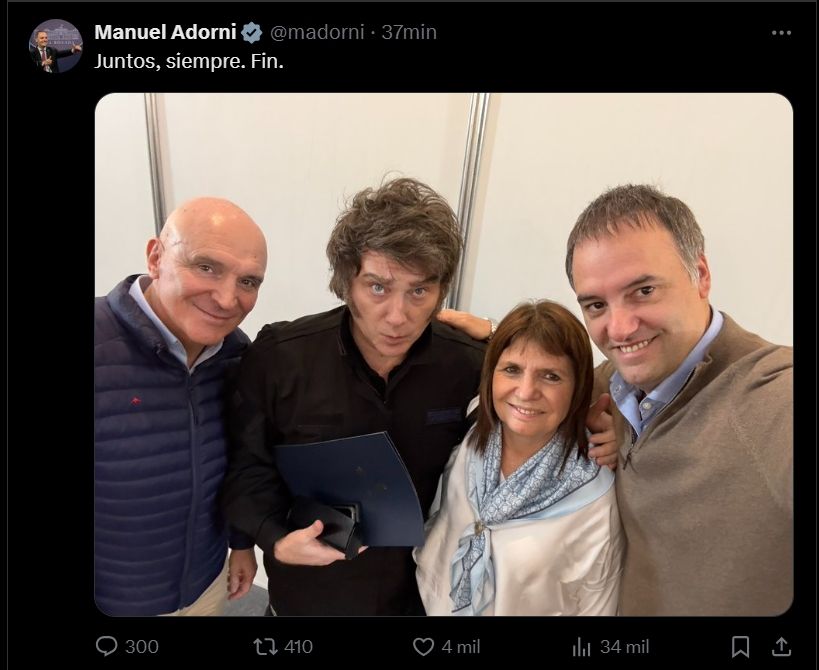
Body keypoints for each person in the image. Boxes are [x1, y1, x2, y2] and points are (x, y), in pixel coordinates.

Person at [220, 177, 618, 616]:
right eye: (378, 287)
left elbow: (533, 391)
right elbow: (246, 468)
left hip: (419, 600)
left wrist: (597, 422)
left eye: (419, 291)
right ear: (347, 281)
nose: (398, 316)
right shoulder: (281, 358)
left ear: (440, 291)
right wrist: (274, 537)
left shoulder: (470, 366)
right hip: (307, 597)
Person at [441, 184, 793, 616]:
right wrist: (502, 335)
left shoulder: (772, 397)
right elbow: (541, 384)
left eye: (643, 291)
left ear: (701, 275)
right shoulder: (608, 384)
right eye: (596, 305)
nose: (621, 329)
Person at [94, 197, 266, 616]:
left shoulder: (236, 354)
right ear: (156, 257)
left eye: (248, 281)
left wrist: (241, 543)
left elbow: (244, 458)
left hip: (205, 585)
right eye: (206, 267)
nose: (227, 299)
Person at [414, 300, 624, 616]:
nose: (526, 392)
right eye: (512, 370)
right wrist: (491, 328)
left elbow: (599, 607)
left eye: (551, 376)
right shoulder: (471, 431)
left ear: (578, 388)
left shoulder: (594, 500)